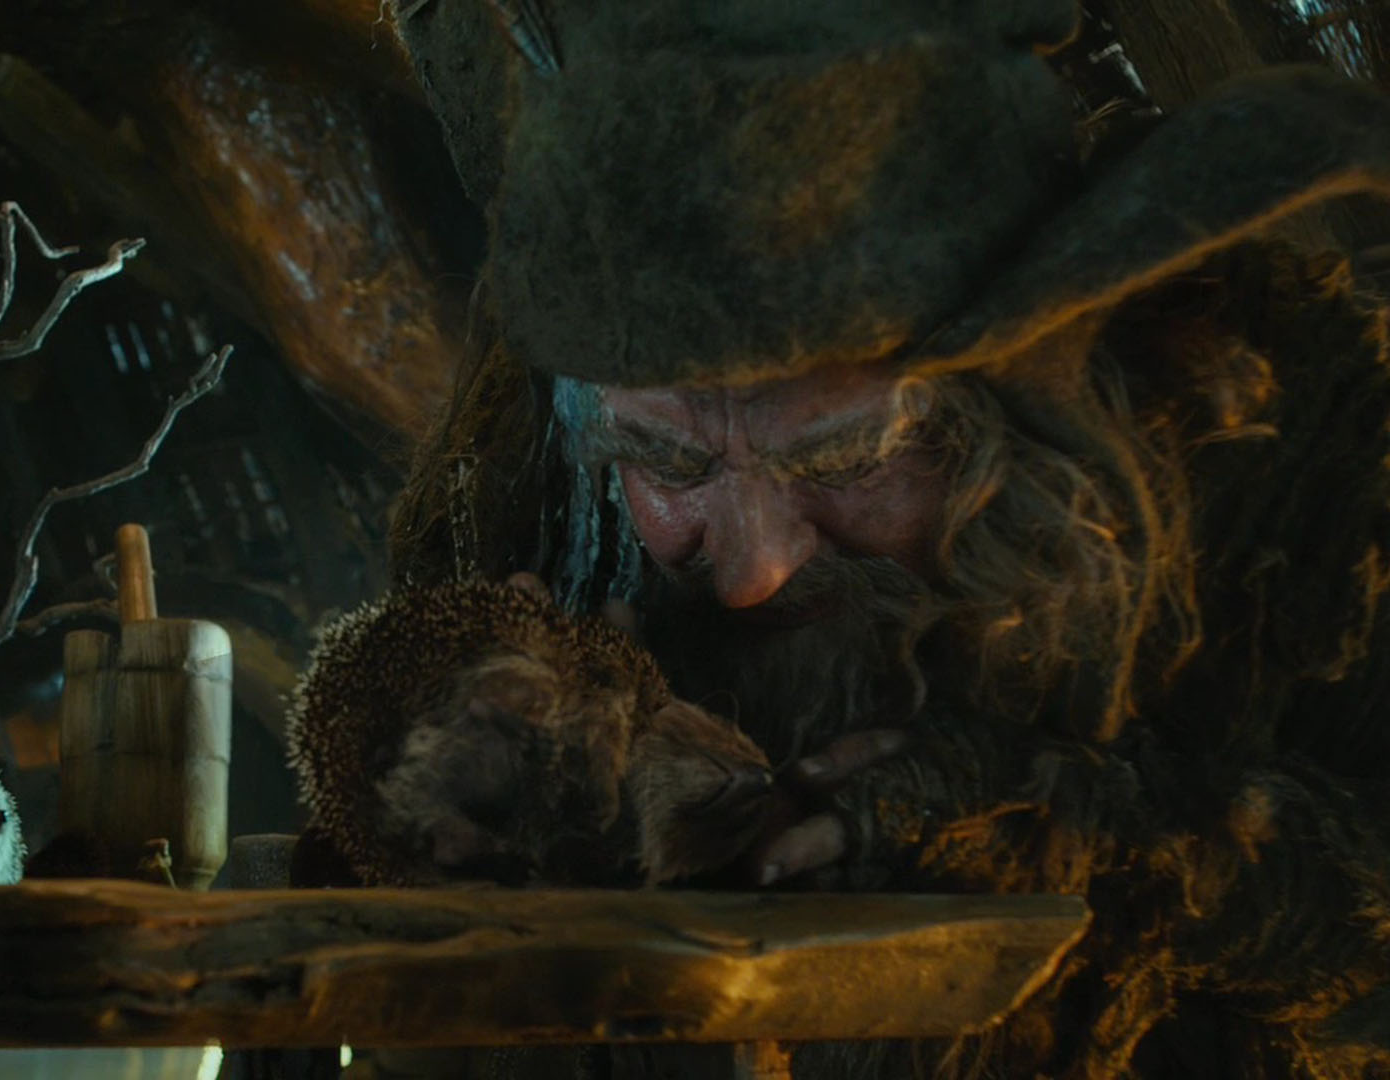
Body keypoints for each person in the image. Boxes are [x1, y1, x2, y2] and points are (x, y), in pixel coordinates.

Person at [294, 1, 1390, 1076]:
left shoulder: (1305, 451)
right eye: (670, 464)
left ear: (1017, 401)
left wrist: (1086, 839)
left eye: (842, 463)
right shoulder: (532, 499)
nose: (753, 573)